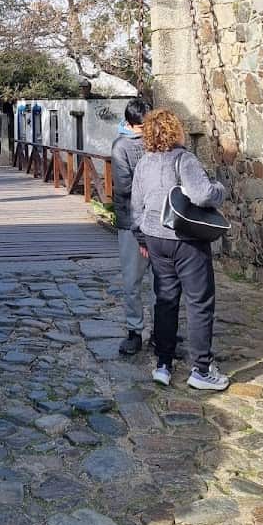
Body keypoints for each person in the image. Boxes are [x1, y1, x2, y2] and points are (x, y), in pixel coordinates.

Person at [131, 109, 230, 392]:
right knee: (199, 303)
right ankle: (201, 369)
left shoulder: (143, 164)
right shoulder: (183, 159)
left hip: (154, 238)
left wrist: (142, 240)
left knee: (165, 299)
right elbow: (202, 194)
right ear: (175, 131)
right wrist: (219, 190)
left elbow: (136, 207)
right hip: (185, 239)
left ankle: (163, 364)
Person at [110, 97, 151, 356]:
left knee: (156, 281)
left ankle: (154, 331)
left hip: (152, 221)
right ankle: (136, 330)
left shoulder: (123, 146)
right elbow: (123, 187)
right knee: (135, 280)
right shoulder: (122, 147)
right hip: (133, 220)